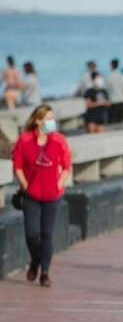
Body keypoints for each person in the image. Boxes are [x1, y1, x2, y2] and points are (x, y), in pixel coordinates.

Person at [12, 104, 72, 287]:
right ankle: (35, 261)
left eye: (53, 119)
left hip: (53, 195)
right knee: (32, 234)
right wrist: (25, 185)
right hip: (31, 195)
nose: (52, 123)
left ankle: (44, 273)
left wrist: (59, 183)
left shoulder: (59, 140)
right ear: (38, 121)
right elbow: (18, 166)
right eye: (48, 119)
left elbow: (67, 165)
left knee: (47, 234)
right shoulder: (25, 140)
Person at [105, 59, 123, 124]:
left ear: (111, 65)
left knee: (112, 122)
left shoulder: (108, 77)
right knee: (120, 121)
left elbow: (106, 90)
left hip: (113, 102)